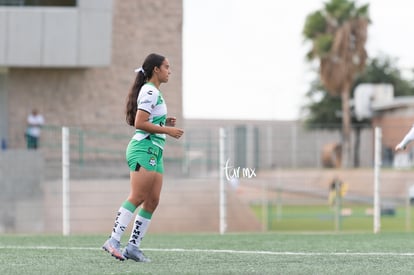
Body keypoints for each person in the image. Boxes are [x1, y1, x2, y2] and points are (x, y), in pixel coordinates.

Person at [102, 53, 184, 262]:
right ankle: (113, 240)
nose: (169, 71)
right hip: (143, 148)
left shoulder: (154, 91)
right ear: (156, 69)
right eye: (166, 67)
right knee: (137, 196)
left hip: (155, 150)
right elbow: (139, 122)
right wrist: (166, 129)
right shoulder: (149, 90)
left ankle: (132, 247)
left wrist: (163, 121)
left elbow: (149, 118)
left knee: (153, 200)